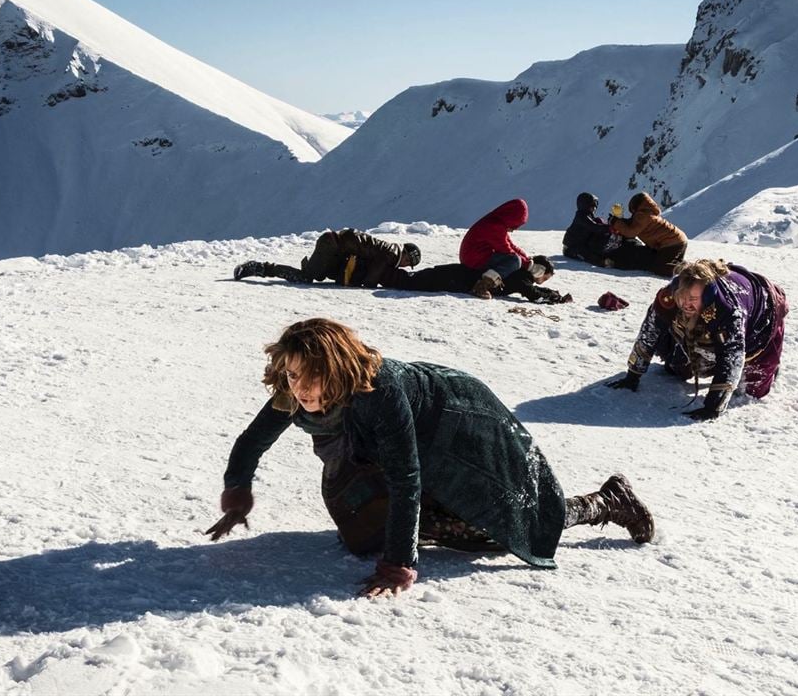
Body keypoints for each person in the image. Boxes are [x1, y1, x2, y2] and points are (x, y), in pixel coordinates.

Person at [206, 318, 654, 598]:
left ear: (338, 369)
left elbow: (406, 478)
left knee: (500, 527)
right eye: (293, 375)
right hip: (379, 448)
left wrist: (399, 564)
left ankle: (606, 501)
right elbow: (252, 441)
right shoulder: (292, 389)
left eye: (312, 376)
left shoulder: (379, 391)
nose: (300, 387)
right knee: (364, 531)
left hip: (458, 424)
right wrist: (237, 494)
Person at [607, 258, 788, 420]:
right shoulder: (668, 298)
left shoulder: (728, 311)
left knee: (752, 390)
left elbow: (731, 358)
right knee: (677, 367)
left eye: (693, 299)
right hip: (707, 325)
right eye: (682, 298)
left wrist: (712, 407)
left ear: (707, 296)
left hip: (762, 316)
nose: (686, 304)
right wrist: (632, 376)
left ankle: (770, 371)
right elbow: (649, 333)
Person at [233, 229, 421, 288]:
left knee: (317, 275)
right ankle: (260, 268)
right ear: (405, 254)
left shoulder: (390, 250)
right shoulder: (392, 253)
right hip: (332, 246)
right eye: (409, 262)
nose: (405, 266)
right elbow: (375, 273)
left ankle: (313, 267)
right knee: (306, 277)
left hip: (334, 246)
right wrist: (369, 285)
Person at [388, 255, 572, 304]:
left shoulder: (520, 274)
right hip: (460, 279)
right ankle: (380, 270)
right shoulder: (521, 276)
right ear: (538, 271)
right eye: (543, 278)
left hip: (461, 276)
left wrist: (552, 294)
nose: (541, 281)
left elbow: (531, 290)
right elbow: (532, 293)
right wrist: (553, 297)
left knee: (420, 278)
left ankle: (384, 271)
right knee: (411, 282)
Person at [459, 199, 535, 299]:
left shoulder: (496, 223)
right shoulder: (494, 227)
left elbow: (511, 245)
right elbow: (506, 250)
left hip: (477, 256)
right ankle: (481, 286)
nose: (514, 229)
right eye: (515, 225)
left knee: (515, 259)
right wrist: (526, 264)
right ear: (511, 218)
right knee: (514, 261)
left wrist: (526, 259)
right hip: (474, 259)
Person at [605, 192, 688, 277]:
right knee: (669, 262)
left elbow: (630, 233)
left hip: (672, 242)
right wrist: (620, 221)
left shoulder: (642, 215)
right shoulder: (647, 212)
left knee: (660, 268)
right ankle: (684, 267)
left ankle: (686, 270)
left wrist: (615, 222)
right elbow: (633, 223)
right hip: (678, 240)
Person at [562, 192, 617, 266]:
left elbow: (596, 225)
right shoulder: (581, 217)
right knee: (585, 253)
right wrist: (610, 228)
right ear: (586, 205)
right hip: (571, 247)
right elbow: (594, 227)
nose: (595, 208)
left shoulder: (587, 216)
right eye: (593, 205)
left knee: (598, 221)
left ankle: (606, 249)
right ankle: (603, 262)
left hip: (581, 242)